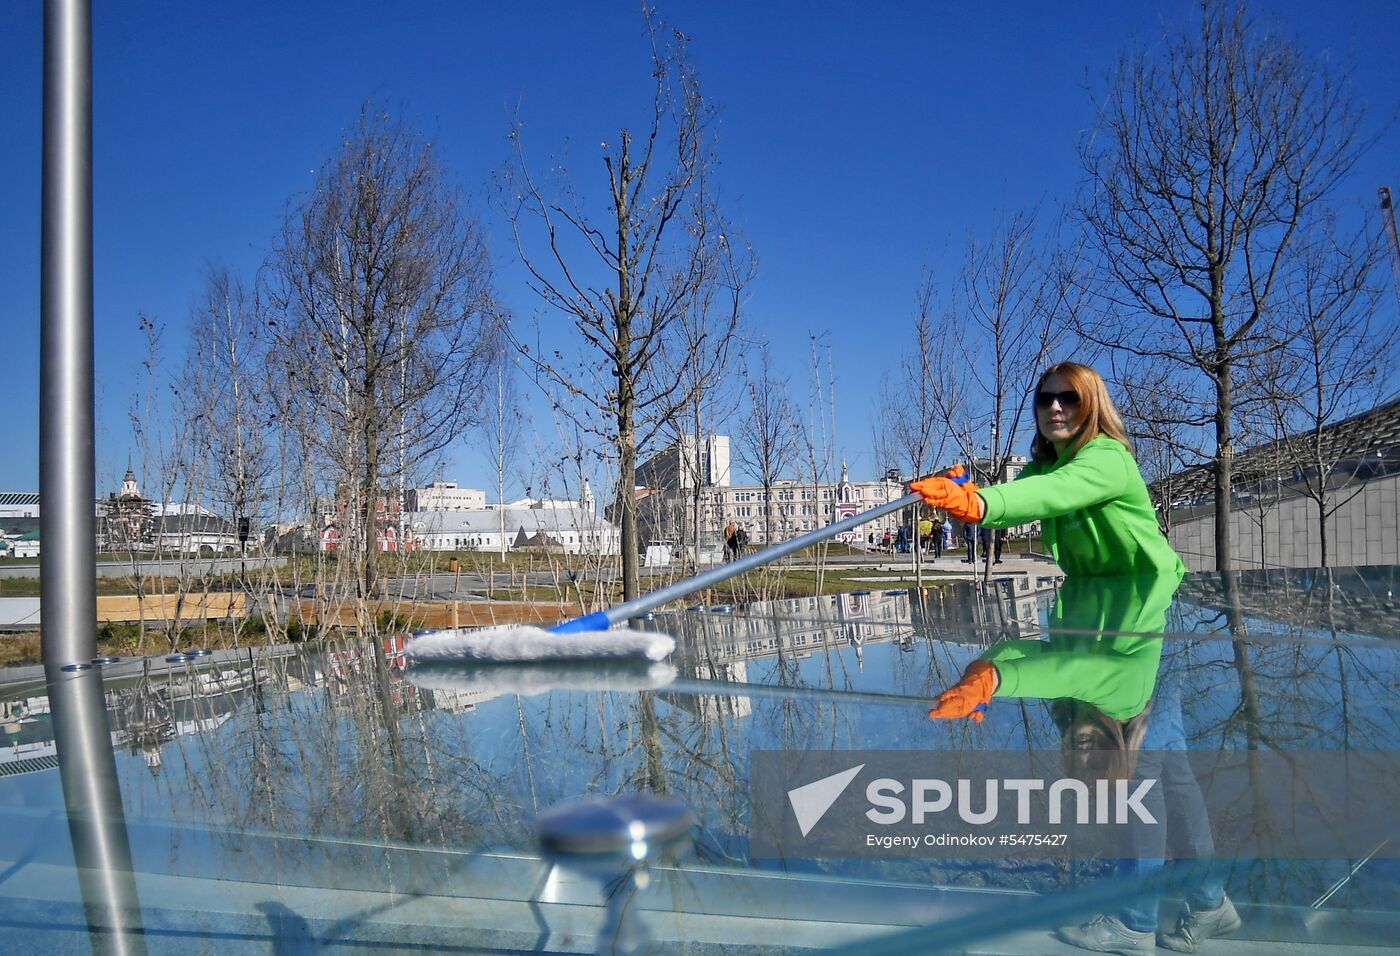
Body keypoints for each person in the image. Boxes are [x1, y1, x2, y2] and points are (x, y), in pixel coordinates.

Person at [910, 362, 1184, 578]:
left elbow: (1055, 489)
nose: (1055, 406)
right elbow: (1017, 497)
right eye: (1045, 399)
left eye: (1070, 398)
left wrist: (976, 502)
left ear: (1093, 406)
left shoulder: (1109, 456)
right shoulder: (1044, 468)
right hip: (1092, 594)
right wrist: (976, 493)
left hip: (1152, 592)